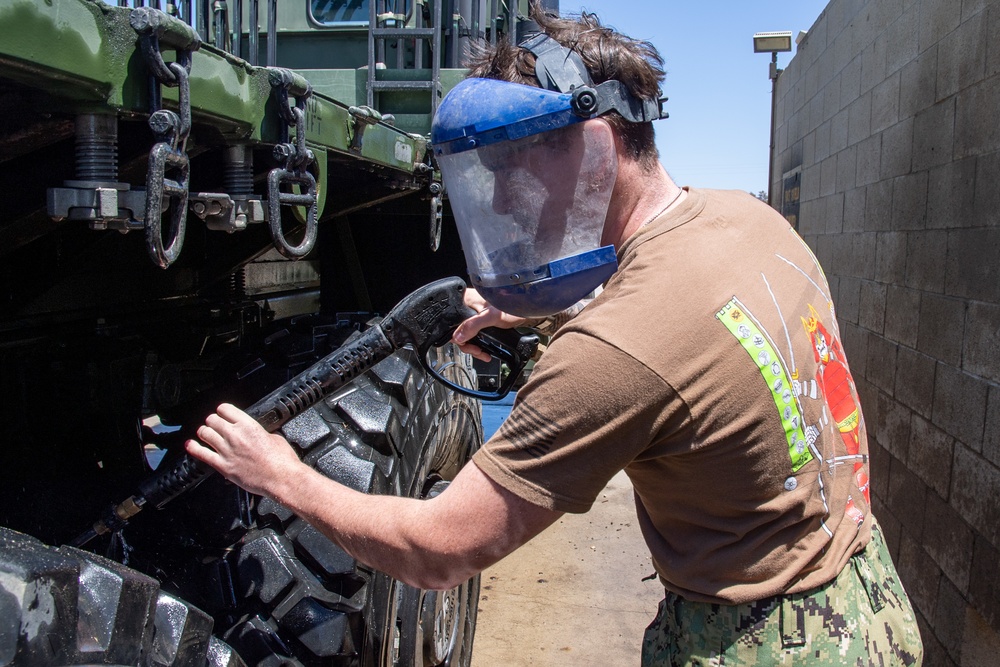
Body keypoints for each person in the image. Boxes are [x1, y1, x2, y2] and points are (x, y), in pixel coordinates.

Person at [187, 4, 923, 664]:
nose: (504, 193)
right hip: (867, 604)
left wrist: (281, 474)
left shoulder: (611, 354)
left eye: (513, 160)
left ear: (594, 145)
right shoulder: (751, 222)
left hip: (760, 645)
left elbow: (442, 549)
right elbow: (692, 337)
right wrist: (550, 312)